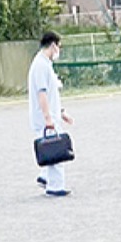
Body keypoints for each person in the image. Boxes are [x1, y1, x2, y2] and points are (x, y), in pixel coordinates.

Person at [28, 31, 73, 196]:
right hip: (45, 117)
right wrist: (48, 118)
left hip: (51, 114)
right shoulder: (40, 65)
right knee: (56, 150)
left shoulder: (45, 64)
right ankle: (55, 186)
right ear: (53, 45)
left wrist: (60, 113)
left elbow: (52, 94)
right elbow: (42, 93)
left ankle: (45, 176)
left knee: (50, 147)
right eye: (58, 47)